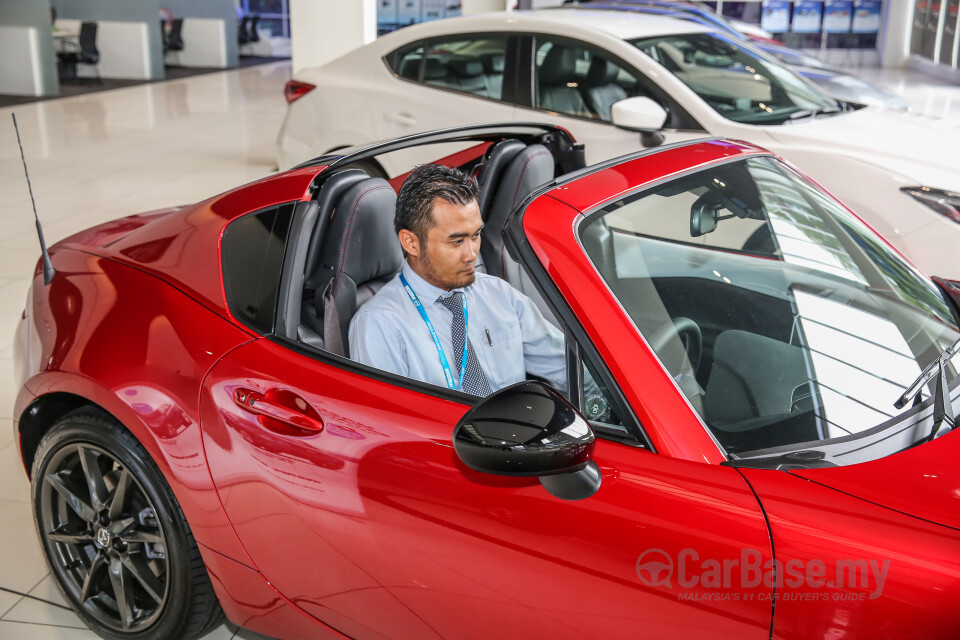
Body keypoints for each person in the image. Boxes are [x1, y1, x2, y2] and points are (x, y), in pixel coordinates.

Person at [348, 164, 566, 396]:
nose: (472, 254)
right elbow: (387, 422)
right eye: (457, 241)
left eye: (475, 235)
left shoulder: (499, 294)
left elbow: (569, 369)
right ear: (411, 243)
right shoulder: (379, 324)